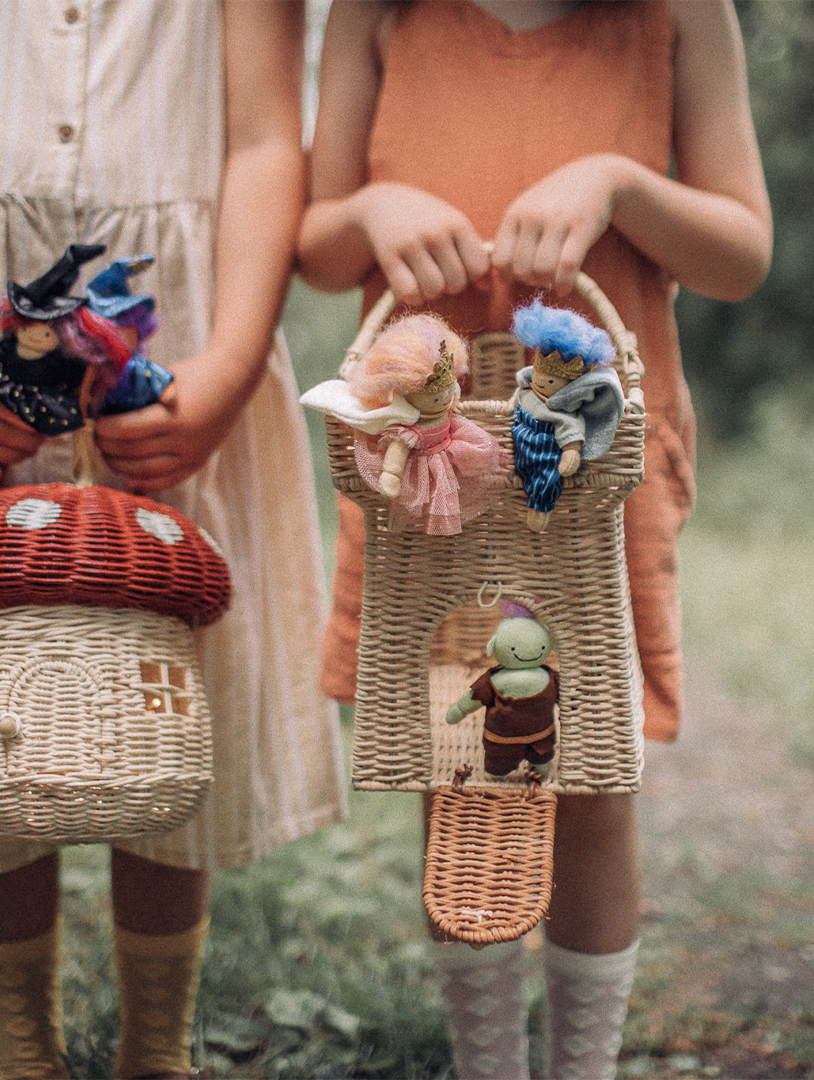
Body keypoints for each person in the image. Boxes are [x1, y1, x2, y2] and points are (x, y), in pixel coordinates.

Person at [0, 2, 346, 1078]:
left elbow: (262, 135)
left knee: (158, 667)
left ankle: (155, 1051)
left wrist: (230, 365)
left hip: (177, 325)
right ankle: (23, 1053)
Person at [295, 1, 771, 1077]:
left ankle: (583, 1064)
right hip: (431, 477)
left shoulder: (678, 16)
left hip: (590, 470)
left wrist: (620, 182)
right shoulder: (386, 13)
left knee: (588, 773)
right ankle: (487, 1062)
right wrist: (373, 205)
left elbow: (744, 251)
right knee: (463, 771)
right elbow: (319, 247)